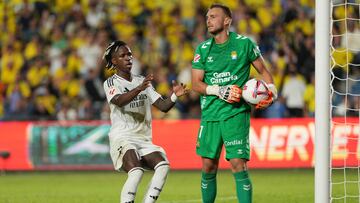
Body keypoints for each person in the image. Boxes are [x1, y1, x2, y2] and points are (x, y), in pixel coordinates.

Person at [191, 4, 278, 203]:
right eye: (207, 17)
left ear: (227, 21)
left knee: (238, 164)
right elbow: (196, 84)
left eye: (213, 16)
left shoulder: (244, 44)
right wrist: (219, 90)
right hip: (210, 115)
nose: (208, 20)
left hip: (236, 113)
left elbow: (264, 72)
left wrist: (272, 93)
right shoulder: (203, 49)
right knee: (208, 166)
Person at [102, 40, 188, 203]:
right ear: (114, 61)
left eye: (129, 54)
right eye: (123, 55)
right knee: (136, 171)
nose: (128, 58)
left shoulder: (141, 81)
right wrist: (139, 89)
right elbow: (119, 101)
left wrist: (175, 95)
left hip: (143, 139)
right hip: (123, 137)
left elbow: (163, 106)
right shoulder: (111, 83)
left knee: (163, 165)